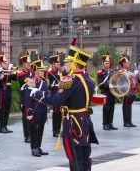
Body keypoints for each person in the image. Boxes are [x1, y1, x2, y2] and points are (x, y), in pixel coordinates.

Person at [31, 37, 98, 170]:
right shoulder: (88, 80)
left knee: (75, 158)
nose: (64, 65)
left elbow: (55, 100)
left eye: (67, 62)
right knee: (85, 157)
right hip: (85, 121)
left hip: (74, 123)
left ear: (74, 63)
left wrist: (37, 93)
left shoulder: (72, 80)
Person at [25, 55, 49, 157]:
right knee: (35, 128)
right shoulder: (31, 81)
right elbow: (27, 97)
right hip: (35, 109)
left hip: (43, 108)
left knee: (41, 128)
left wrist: (47, 109)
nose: (43, 72)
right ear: (35, 71)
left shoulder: (44, 81)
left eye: (43, 70)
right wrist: (29, 110)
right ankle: (33, 148)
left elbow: (46, 95)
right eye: (41, 70)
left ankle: (38, 147)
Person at [0, 52, 17, 134]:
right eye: (4, 63)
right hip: (2, 91)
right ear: (0, 63)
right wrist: (8, 71)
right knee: (2, 109)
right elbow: (0, 79)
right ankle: (1, 127)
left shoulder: (7, 71)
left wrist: (13, 71)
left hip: (8, 91)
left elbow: (15, 78)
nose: (6, 64)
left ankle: (5, 126)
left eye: (6, 62)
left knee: (7, 108)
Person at [97, 52, 118, 130]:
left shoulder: (112, 72)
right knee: (106, 108)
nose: (107, 64)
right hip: (105, 92)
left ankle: (110, 123)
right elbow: (100, 84)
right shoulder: (100, 72)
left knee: (112, 107)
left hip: (112, 91)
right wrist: (108, 85)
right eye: (106, 63)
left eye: (108, 63)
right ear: (103, 63)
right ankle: (105, 124)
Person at [118, 54, 140, 127]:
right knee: (126, 105)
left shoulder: (129, 71)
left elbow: (134, 81)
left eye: (128, 63)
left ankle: (129, 121)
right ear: (123, 64)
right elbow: (121, 82)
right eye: (127, 63)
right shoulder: (121, 72)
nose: (128, 64)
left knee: (129, 106)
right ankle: (126, 122)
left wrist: (137, 75)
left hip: (131, 91)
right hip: (126, 91)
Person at [17, 51, 32, 143]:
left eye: (30, 63)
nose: (29, 64)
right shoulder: (21, 74)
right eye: (27, 63)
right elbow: (28, 81)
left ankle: (31, 134)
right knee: (26, 116)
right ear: (23, 64)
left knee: (31, 116)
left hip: (31, 97)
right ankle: (27, 136)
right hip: (24, 97)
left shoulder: (31, 73)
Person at [47, 51, 62, 137]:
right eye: (57, 64)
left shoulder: (58, 72)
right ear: (53, 63)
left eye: (59, 64)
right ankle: (55, 130)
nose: (59, 66)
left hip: (60, 93)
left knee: (60, 112)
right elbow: (55, 76)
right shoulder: (51, 72)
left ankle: (59, 129)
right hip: (54, 92)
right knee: (56, 112)